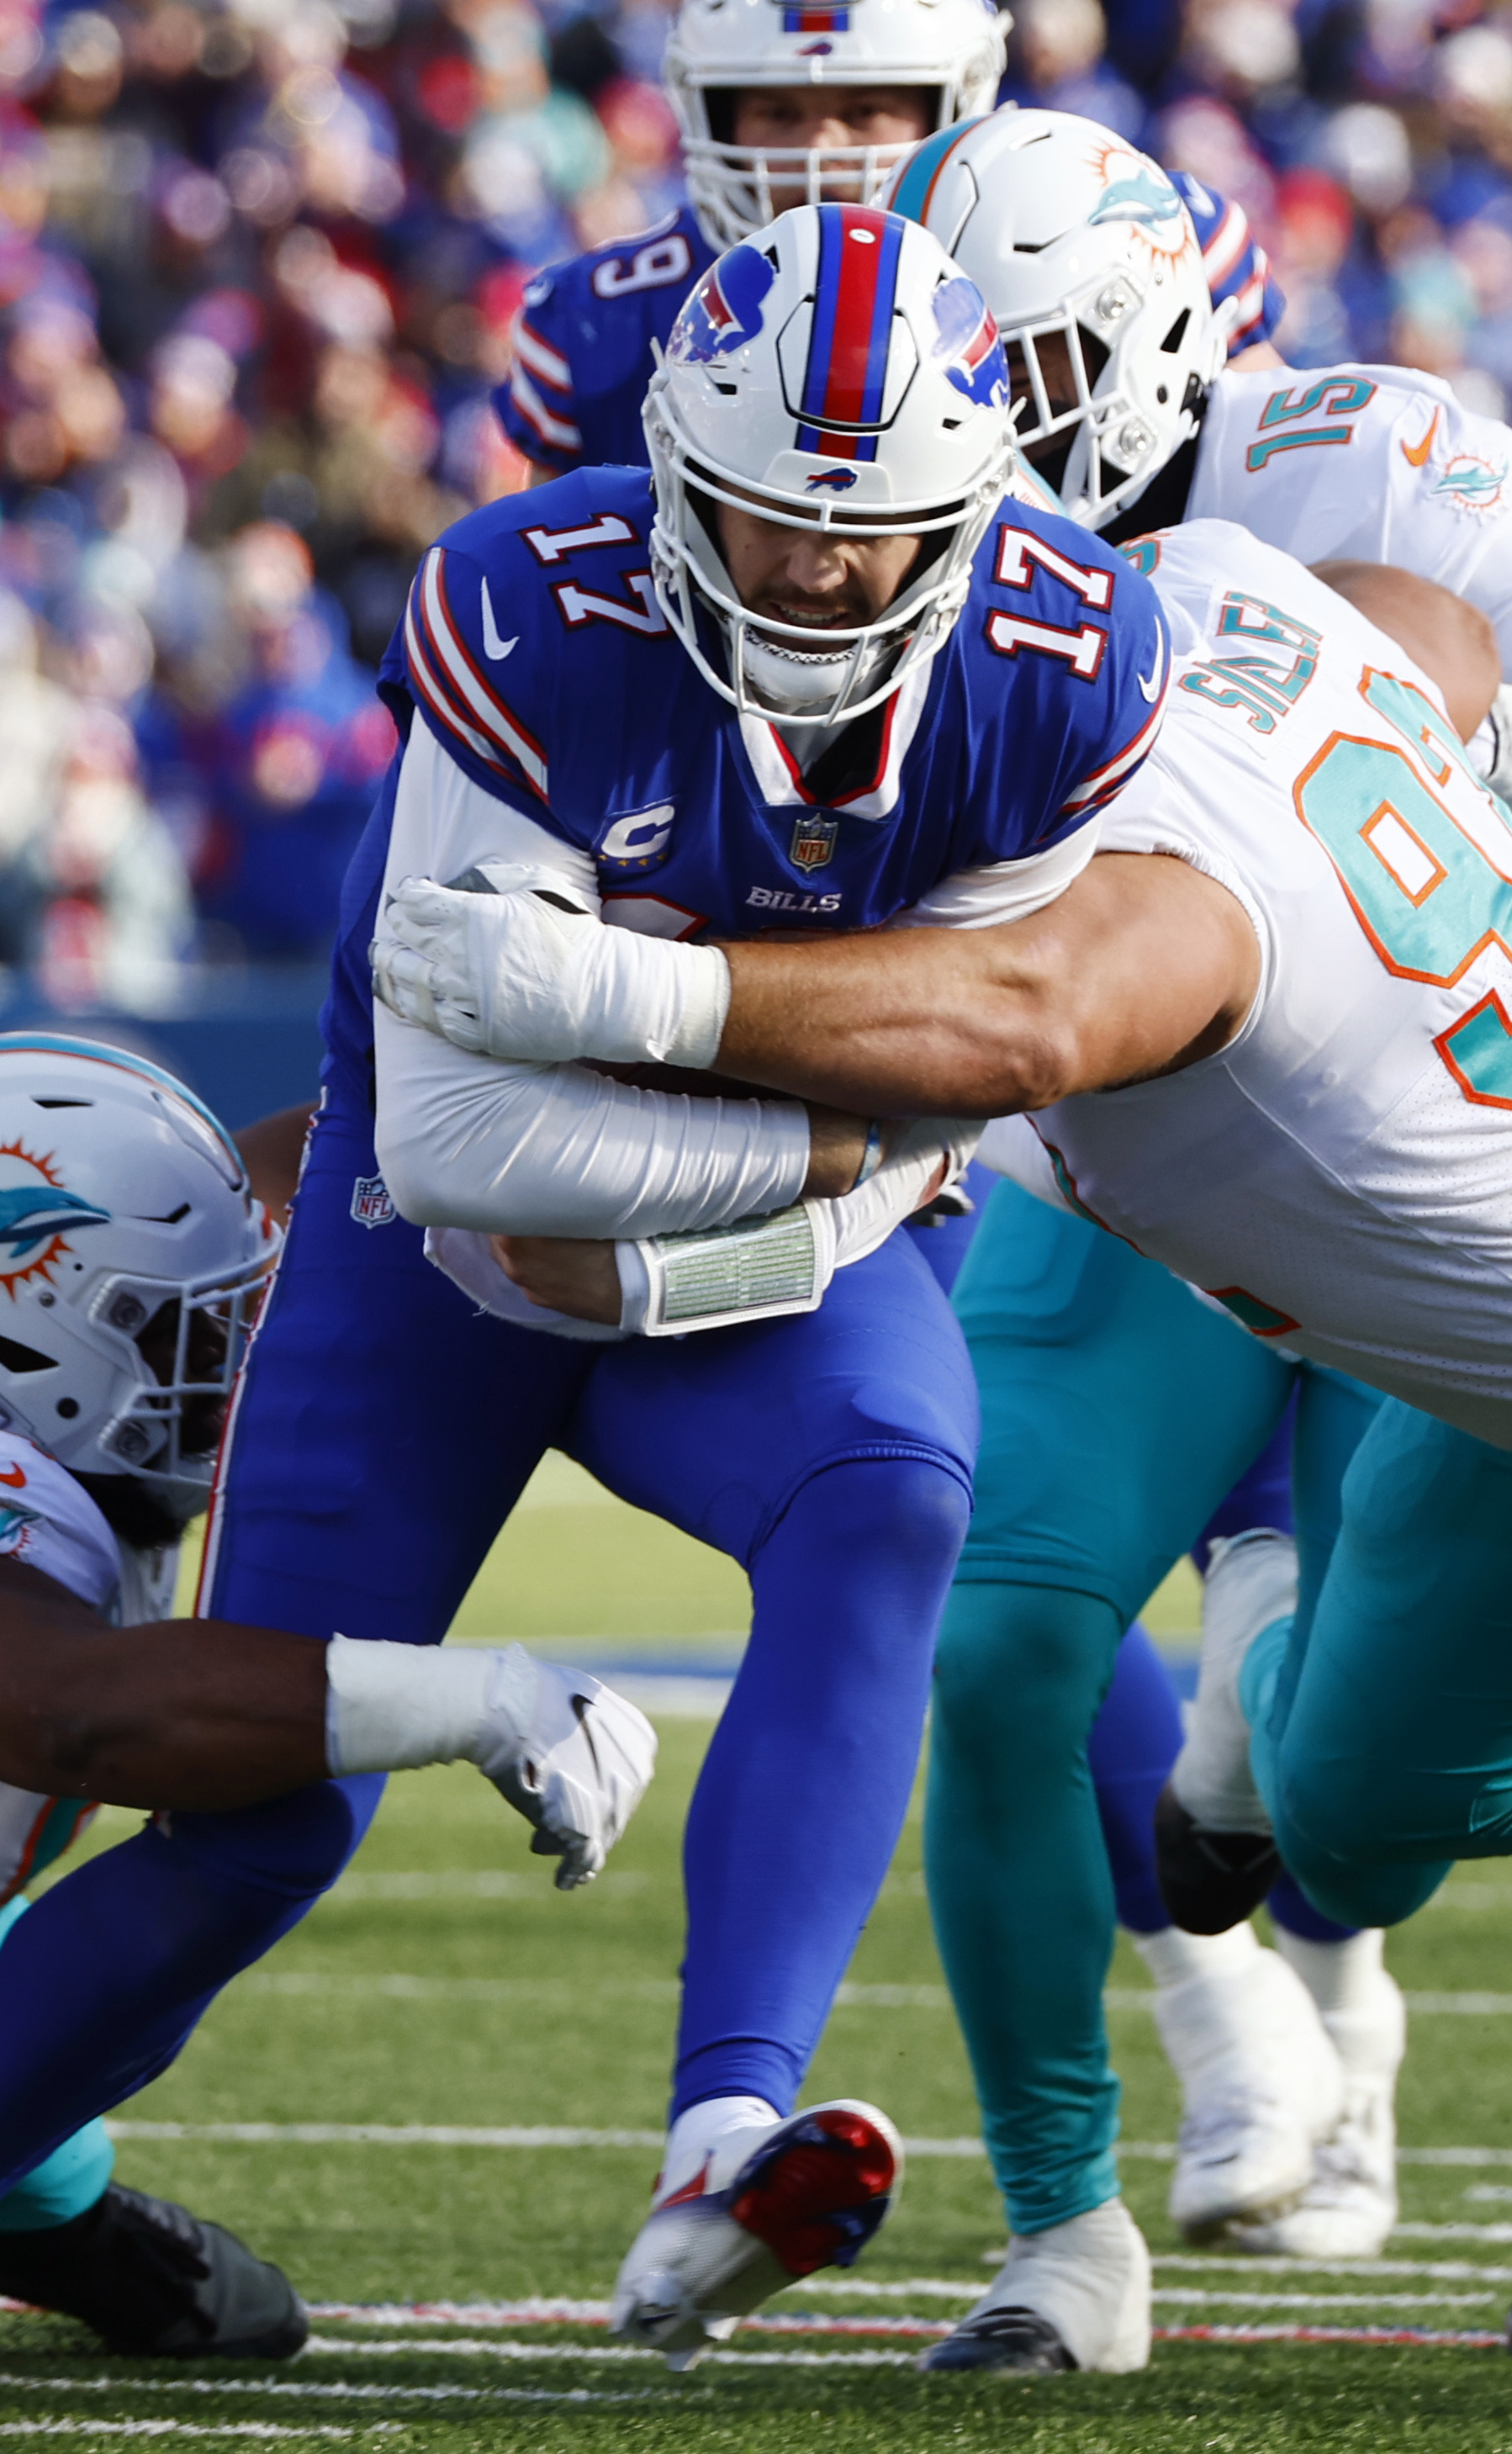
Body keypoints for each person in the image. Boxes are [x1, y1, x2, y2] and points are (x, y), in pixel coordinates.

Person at [0, 201, 1176, 2387]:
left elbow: (989, 1057)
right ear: (675, 474)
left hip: (774, 1269)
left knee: (891, 1494)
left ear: (970, 516)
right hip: (428, 1268)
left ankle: (720, 2135)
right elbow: (467, 1152)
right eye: (767, 522)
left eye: (869, 536)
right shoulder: (523, 601)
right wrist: (833, 1120)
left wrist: (710, 1117)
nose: (818, 577)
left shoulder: (1068, 660)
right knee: (259, 1817)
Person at [372, 532, 1506, 2372]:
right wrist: (675, 1261)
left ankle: (1272, 1656)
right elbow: (919, 1144)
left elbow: (1020, 1021)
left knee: (1355, 1830)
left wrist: (623, 998)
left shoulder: (1136, 882)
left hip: (1417, 1281)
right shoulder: (1202, 579)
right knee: (993, 1643)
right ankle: (1066, 2231)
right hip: (1237, 1205)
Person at [0, 1032, 654, 2430]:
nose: (229, 1346)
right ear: (17, 1334)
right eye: (175, 1324)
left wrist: (542, 1076)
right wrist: (475, 1697)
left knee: (187, 2284)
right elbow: (81, 1720)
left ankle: (35, 2219)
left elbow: (314, 1166)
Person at [860, 104, 1512, 2314]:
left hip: (1404, 1066)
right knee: (999, 1637)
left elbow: (1407, 712)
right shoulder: (906, 558)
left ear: (1142, 344)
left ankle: (1307, 1840)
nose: (974, 428)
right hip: (1121, 1110)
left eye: (1011, 375)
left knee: (1351, 1783)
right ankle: (1064, 2226)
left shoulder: (1362, 460)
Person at [493, 5, 1281, 484]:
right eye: (775, 112)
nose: (818, 151)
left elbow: (1261, 490)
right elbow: (553, 598)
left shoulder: (1137, 239)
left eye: (867, 109)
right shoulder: (602, 322)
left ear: (960, 95)